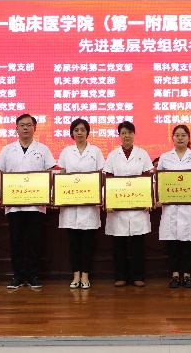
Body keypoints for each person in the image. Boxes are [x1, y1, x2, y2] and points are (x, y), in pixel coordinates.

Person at [0, 114, 56, 289]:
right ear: (16, 128)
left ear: (34, 128)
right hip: (14, 205)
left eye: (29, 125)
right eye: (22, 125)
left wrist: (46, 194)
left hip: (36, 205)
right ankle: (18, 276)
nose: (26, 128)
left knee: (35, 241)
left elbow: (49, 175)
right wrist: (4, 195)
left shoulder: (43, 149)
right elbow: (0, 175)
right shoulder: (7, 150)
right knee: (16, 242)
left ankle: (33, 275)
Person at [104, 121, 153, 287]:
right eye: (123, 133)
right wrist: (108, 201)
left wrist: (148, 200)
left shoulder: (142, 154)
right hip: (118, 207)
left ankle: (138, 276)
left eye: (130, 133)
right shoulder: (113, 155)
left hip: (138, 206)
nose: (127, 136)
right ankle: (121, 276)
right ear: (119, 135)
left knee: (138, 243)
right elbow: (107, 179)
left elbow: (148, 178)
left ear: (134, 135)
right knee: (119, 243)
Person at [57, 118, 105, 290]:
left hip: (89, 205)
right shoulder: (66, 152)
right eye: (76, 130)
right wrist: (57, 197)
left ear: (87, 132)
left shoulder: (95, 151)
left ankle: (85, 274)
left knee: (87, 243)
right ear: (72, 133)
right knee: (73, 243)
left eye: (82, 130)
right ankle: (75, 274)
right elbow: (62, 176)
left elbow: (100, 177)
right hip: (70, 205)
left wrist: (100, 197)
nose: (79, 133)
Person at [156, 125, 191, 289]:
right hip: (170, 207)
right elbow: (158, 181)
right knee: (173, 243)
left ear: (189, 138)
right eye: (177, 135)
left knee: (188, 244)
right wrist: (158, 198)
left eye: (183, 135)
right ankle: (175, 275)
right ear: (172, 138)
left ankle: (188, 275)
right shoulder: (165, 157)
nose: (180, 138)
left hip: (189, 207)